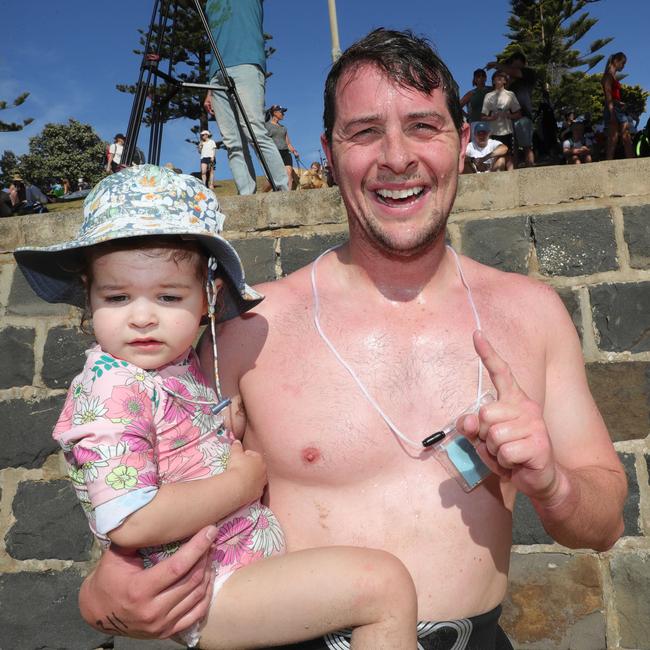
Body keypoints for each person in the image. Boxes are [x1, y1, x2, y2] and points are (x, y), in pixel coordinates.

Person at [77, 29, 627, 649]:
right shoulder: (245, 328)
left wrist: (551, 483)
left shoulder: (534, 313)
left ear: (462, 140)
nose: (397, 157)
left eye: (424, 127)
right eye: (365, 132)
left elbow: (604, 523)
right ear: (330, 155)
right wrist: (103, 596)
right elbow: (138, 480)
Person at [15, 164, 418, 650]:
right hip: (209, 590)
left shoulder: (176, 368)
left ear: (209, 297)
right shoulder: (111, 389)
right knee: (383, 585)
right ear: (90, 296)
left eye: (168, 296)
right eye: (117, 297)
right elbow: (130, 520)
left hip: (236, 568)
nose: (142, 316)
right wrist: (239, 483)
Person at [203, 0, 288, 195]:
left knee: (254, 131)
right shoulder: (208, 4)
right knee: (232, 142)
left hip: (246, 64)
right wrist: (209, 90)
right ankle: (246, 194)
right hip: (216, 75)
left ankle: (282, 190)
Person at [487, 53, 536, 167]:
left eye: (515, 64)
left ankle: (531, 169)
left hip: (523, 116)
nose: (512, 68)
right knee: (512, 148)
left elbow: (514, 72)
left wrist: (496, 64)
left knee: (526, 146)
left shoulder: (528, 73)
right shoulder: (510, 82)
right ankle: (513, 173)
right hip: (509, 118)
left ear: (522, 63)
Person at [481, 71, 521, 171]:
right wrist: (491, 118)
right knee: (497, 157)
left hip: (508, 131)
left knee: (509, 156)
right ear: (493, 81)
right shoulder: (488, 96)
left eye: (502, 77)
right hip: (493, 132)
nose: (499, 78)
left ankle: (512, 178)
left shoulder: (510, 94)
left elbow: (518, 114)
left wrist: (508, 115)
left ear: (505, 81)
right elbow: (483, 116)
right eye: (496, 77)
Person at [601, 52, 634, 160]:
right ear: (616, 61)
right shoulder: (608, 76)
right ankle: (630, 160)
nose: (623, 66)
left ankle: (611, 160)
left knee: (616, 138)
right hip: (613, 110)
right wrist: (612, 114)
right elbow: (608, 97)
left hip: (615, 108)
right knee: (619, 137)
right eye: (623, 63)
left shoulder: (611, 77)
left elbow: (613, 97)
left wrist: (620, 103)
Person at [265, 105, 300, 190]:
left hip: (285, 153)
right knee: (272, 180)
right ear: (275, 113)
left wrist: (294, 151)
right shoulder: (266, 125)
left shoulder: (284, 128)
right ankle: (262, 192)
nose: (283, 114)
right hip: (274, 153)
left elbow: (288, 143)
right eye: (282, 112)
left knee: (289, 173)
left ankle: (287, 196)